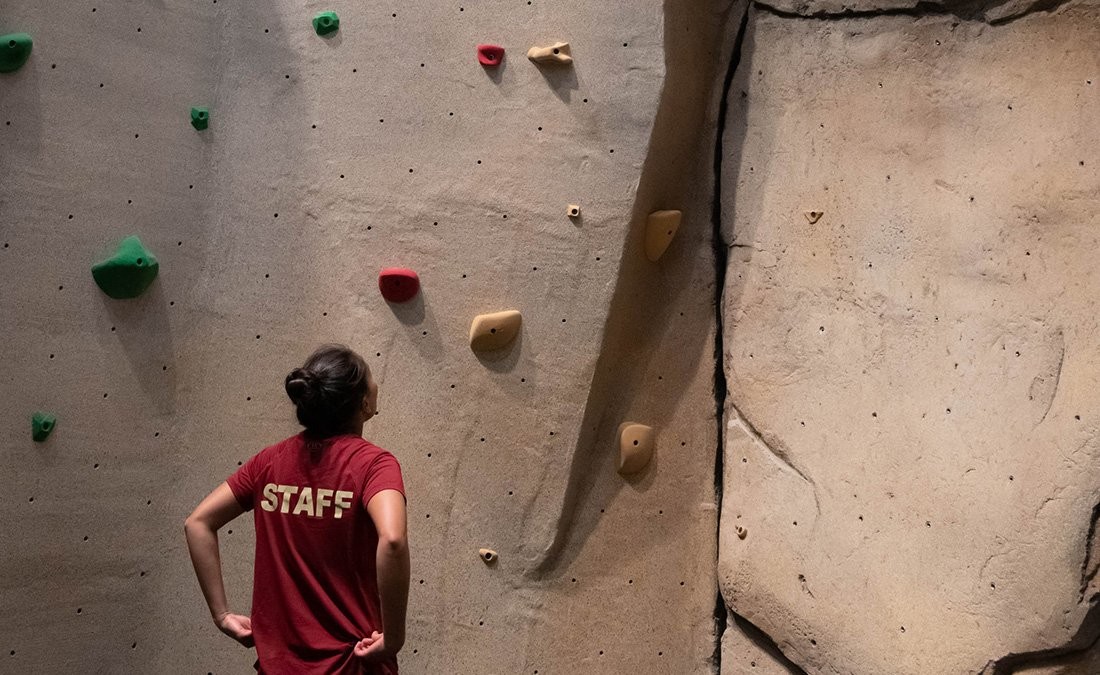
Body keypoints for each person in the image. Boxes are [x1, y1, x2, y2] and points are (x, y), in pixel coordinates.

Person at [184, 344, 409, 674]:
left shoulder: (270, 462)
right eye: (372, 378)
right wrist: (394, 638)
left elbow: (198, 523)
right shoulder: (374, 465)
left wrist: (222, 616)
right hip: (352, 665)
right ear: (363, 402)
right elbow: (392, 540)